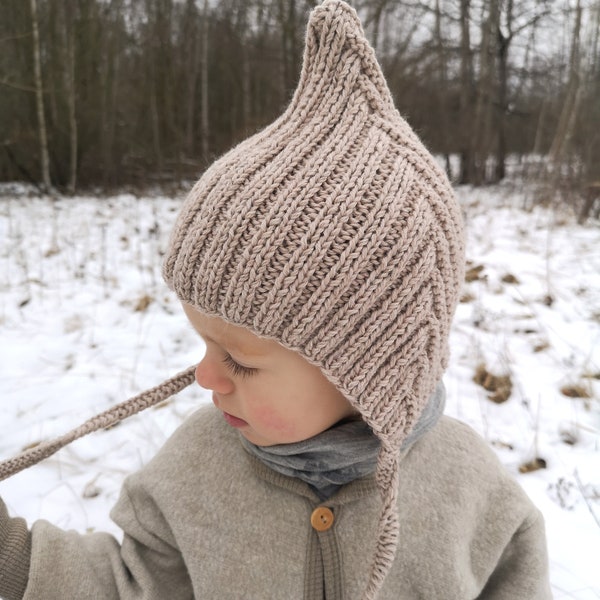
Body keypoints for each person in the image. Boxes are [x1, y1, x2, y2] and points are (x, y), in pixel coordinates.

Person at [0, 1, 551, 599]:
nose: (206, 375)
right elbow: (124, 585)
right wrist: (14, 557)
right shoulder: (195, 470)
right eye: (204, 344)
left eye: (239, 359)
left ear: (367, 368)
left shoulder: (470, 492)